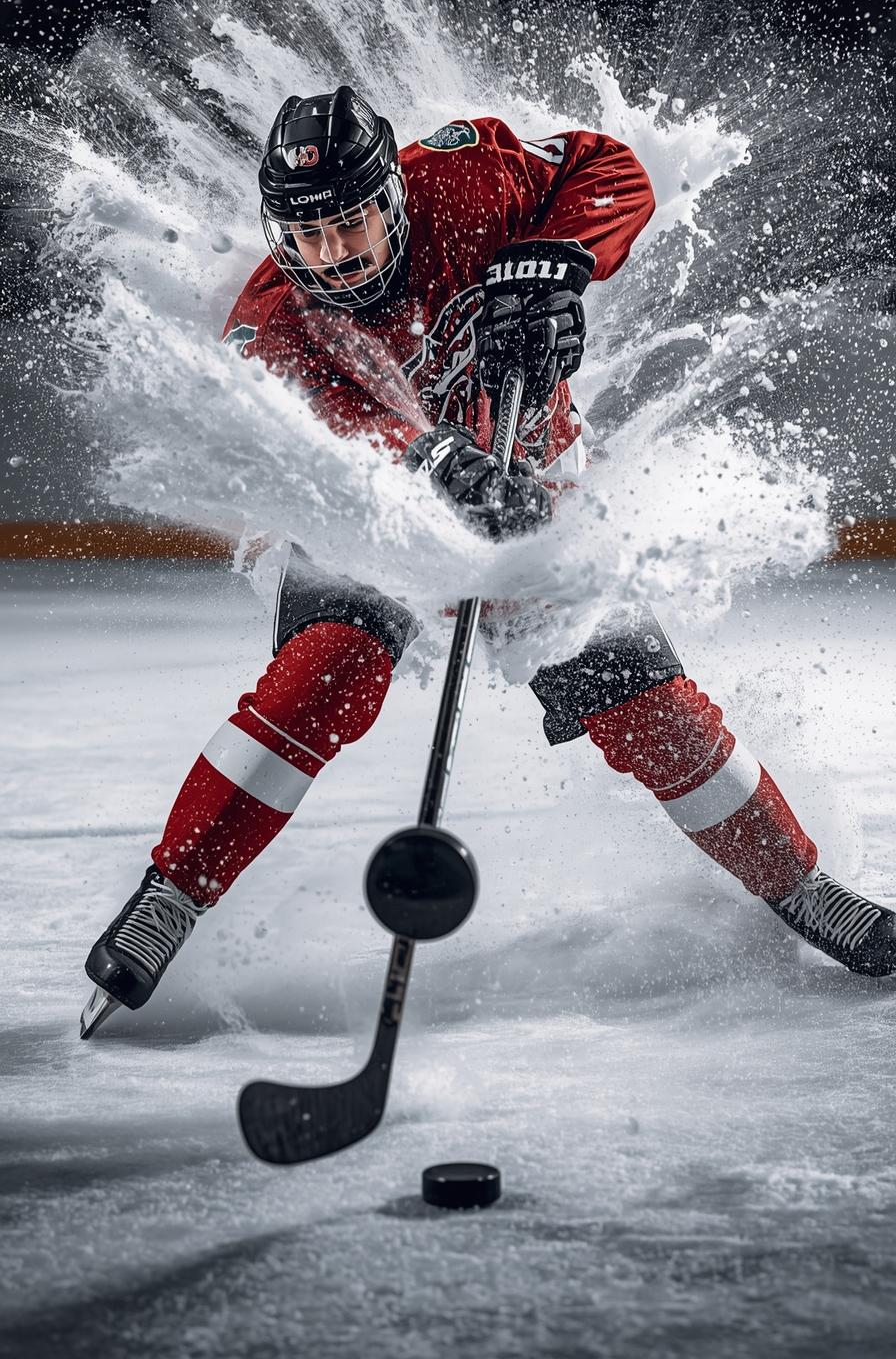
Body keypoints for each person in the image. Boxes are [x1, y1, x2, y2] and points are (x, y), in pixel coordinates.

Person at [81, 85, 896, 1038]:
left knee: (638, 694)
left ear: (392, 198)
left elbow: (609, 166)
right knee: (335, 665)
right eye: (307, 238)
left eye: (351, 223)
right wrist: (429, 462)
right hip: (354, 519)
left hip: (535, 475)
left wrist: (555, 265)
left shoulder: (463, 180)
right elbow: (334, 451)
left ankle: (801, 887)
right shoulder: (271, 330)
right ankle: (171, 895)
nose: (334, 255)